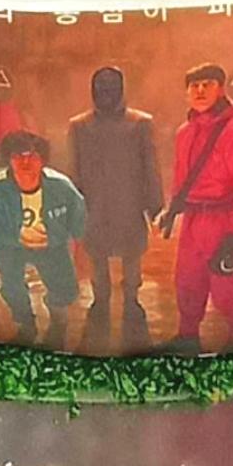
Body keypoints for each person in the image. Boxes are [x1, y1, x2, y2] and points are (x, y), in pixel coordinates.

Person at [161, 63, 233, 352]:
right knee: (188, 280)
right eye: (194, 86)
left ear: (221, 89)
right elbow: (181, 177)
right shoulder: (185, 133)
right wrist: (173, 209)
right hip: (194, 219)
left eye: (207, 84)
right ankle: (188, 336)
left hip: (224, 218)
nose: (200, 91)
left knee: (229, 285)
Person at [66, 66, 163, 347]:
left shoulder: (140, 123)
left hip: (129, 202)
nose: (105, 90)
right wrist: (74, 207)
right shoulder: (79, 125)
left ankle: (131, 299)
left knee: (132, 259)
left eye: (111, 85)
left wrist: (155, 205)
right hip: (95, 204)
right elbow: (74, 169)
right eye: (101, 85)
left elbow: (150, 166)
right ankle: (101, 300)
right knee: (97, 258)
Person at [0, 131, 89, 346]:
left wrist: (82, 254)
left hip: (52, 243)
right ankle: (26, 325)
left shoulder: (62, 187)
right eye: (18, 156)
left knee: (63, 286)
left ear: (42, 160)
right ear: (8, 159)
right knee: (11, 287)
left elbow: (79, 221)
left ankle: (59, 323)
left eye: (32, 156)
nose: (25, 163)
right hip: (9, 244)